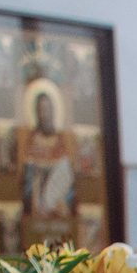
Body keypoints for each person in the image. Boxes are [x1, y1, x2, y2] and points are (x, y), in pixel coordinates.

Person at [16, 87, 79, 250]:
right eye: (41, 110)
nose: (45, 114)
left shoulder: (63, 140)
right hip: (38, 195)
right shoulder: (31, 140)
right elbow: (27, 171)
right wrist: (39, 169)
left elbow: (68, 173)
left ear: (54, 111)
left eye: (48, 109)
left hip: (58, 196)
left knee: (64, 168)